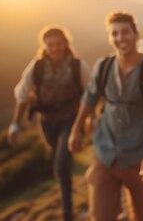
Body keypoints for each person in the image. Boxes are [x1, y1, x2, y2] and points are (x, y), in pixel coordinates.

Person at [68, 11, 143, 221]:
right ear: (110, 38)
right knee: (100, 215)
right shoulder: (103, 67)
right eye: (114, 34)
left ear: (135, 35)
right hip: (105, 152)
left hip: (138, 156)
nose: (120, 38)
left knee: (140, 212)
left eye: (125, 32)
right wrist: (75, 131)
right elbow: (89, 99)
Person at [9, 25, 90, 221]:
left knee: (60, 163)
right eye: (50, 45)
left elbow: (91, 93)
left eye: (58, 44)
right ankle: (66, 186)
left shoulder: (77, 66)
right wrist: (15, 124)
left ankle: (67, 212)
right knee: (59, 160)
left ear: (66, 44)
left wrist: (90, 118)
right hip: (46, 122)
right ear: (44, 46)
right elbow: (22, 95)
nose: (54, 48)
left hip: (71, 119)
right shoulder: (36, 67)